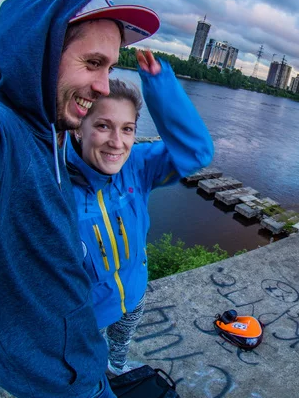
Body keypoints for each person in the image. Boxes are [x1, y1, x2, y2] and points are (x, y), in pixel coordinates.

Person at [0, 0, 161, 398]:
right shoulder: (1, 131)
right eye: (92, 63)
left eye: (109, 68)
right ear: (42, 53)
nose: (105, 86)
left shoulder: (53, 134)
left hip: (76, 361)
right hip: (51, 380)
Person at [68, 50, 213, 374]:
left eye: (128, 129)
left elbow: (197, 152)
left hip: (133, 294)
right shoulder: (54, 183)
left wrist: (160, 85)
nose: (117, 143)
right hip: (86, 314)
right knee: (87, 366)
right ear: (79, 127)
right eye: (103, 126)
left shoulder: (137, 166)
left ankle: (117, 368)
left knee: (119, 350)